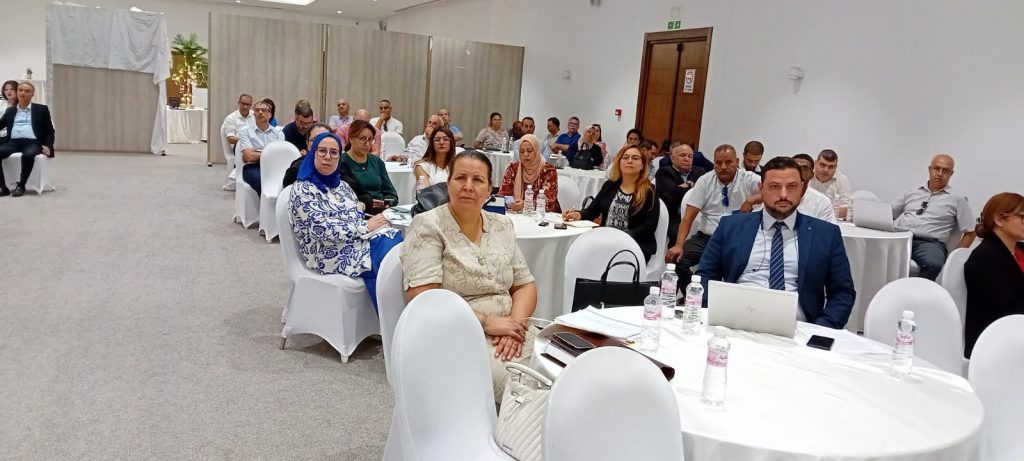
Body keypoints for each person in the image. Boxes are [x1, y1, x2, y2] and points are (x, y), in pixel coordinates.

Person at [401, 150, 539, 398]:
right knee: (525, 386)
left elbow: (524, 285)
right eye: (460, 178)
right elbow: (423, 297)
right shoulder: (428, 225)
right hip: (457, 332)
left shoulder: (501, 225)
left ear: (489, 189)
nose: (468, 186)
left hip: (510, 326)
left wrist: (515, 327)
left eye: (477, 180)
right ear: (448, 183)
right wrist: (487, 322)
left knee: (565, 368)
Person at [698, 156, 856, 328]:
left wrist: (822, 330)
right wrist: (716, 312)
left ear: (802, 188)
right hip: (736, 321)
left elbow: (842, 292)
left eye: (792, 187)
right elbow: (704, 275)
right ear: (761, 188)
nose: (783, 195)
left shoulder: (826, 234)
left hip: (800, 327)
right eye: (774, 186)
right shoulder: (731, 226)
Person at [289, 132, 402, 310]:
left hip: (351, 241)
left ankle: (393, 313)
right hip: (324, 251)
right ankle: (391, 317)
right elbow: (321, 230)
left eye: (334, 153)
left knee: (394, 240)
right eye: (322, 151)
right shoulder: (303, 189)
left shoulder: (342, 186)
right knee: (384, 258)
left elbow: (355, 215)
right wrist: (366, 226)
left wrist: (376, 223)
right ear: (313, 153)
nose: (328, 157)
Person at [666, 144, 762, 282]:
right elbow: (688, 217)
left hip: (737, 238)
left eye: (728, 162)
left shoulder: (748, 178)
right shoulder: (705, 181)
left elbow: (771, 191)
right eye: (718, 163)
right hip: (706, 238)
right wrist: (679, 245)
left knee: (741, 267)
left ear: (737, 161)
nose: (723, 167)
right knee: (678, 260)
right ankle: (694, 292)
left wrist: (750, 201)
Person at [563, 145, 661, 262]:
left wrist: (621, 237)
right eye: (625, 157)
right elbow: (592, 211)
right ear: (619, 162)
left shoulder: (649, 191)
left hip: (634, 245)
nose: (629, 161)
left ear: (642, 165)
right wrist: (577, 214)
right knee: (577, 253)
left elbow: (649, 226)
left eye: (635, 158)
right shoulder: (609, 186)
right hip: (606, 241)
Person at [891, 154, 976, 280]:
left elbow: (971, 232)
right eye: (936, 168)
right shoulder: (911, 192)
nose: (940, 173)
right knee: (875, 250)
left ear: (951, 174)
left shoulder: (958, 199)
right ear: (930, 169)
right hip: (901, 236)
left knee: (934, 264)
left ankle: (918, 291)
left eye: (945, 171)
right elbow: (889, 214)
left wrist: (954, 259)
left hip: (929, 244)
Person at [964, 192, 1024, 358]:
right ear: (999, 220)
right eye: (1022, 217)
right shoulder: (985, 258)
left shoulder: (1019, 249)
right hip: (997, 342)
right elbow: (1006, 309)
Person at [283, 123, 372, 211]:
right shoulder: (297, 171)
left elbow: (364, 195)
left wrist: (360, 206)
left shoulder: (340, 168)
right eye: (316, 140)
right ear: (307, 143)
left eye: (327, 139)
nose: (327, 156)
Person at [0, 82, 56, 197]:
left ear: (32, 94)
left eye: (27, 91)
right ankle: (3, 187)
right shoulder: (10, 111)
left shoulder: (41, 109)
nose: (23, 93)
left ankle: (21, 185)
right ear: (17, 92)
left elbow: (49, 130)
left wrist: (48, 146)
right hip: (13, 142)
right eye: (20, 90)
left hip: (33, 142)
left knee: (28, 155)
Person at [340, 120, 399, 214]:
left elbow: (391, 193)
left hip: (381, 212)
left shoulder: (376, 161)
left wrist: (388, 204)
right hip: (355, 212)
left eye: (370, 139)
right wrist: (366, 203)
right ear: (351, 138)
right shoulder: (341, 162)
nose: (367, 144)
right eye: (362, 139)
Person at [655, 142, 707, 247]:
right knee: (678, 231)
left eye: (690, 156)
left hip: (698, 215)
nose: (686, 159)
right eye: (682, 155)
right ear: (672, 158)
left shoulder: (700, 172)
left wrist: (686, 185)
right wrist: (692, 186)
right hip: (674, 217)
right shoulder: (664, 172)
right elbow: (672, 195)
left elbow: (706, 192)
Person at [499, 134, 560, 213]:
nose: (525, 154)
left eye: (530, 151)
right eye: (522, 151)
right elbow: (504, 194)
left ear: (537, 151)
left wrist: (526, 205)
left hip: (543, 215)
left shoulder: (548, 171)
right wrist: (512, 204)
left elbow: (549, 201)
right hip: (515, 213)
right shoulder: (513, 169)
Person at [238, 99, 285, 195]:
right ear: (254, 114)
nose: (260, 112)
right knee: (262, 182)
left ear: (270, 114)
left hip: (274, 166)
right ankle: (265, 204)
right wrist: (270, 153)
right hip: (252, 167)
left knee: (286, 181)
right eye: (257, 110)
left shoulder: (278, 133)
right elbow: (249, 156)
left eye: (263, 110)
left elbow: (279, 156)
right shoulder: (245, 131)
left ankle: (278, 204)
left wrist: (256, 152)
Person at [219, 93, 254, 191]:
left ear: (251, 105)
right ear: (239, 103)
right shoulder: (231, 118)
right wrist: (246, 139)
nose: (245, 106)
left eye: (248, 104)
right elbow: (231, 139)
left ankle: (238, 172)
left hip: (253, 144)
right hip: (238, 147)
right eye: (243, 104)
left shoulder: (254, 115)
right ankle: (240, 173)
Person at [790, 153, 837, 223]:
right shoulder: (777, 197)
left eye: (804, 169)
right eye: (796, 168)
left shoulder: (822, 202)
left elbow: (829, 229)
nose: (799, 172)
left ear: (811, 175)